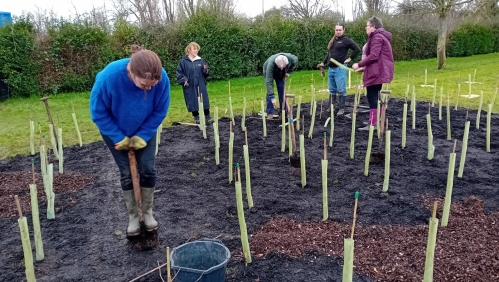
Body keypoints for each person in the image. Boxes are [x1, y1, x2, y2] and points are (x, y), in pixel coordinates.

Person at [90, 46, 170, 237]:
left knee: (148, 169)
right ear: (131, 73)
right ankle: (134, 217)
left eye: (153, 84)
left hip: (145, 129)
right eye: (144, 85)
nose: (149, 88)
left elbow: (160, 109)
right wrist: (119, 138)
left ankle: (148, 213)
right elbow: (98, 113)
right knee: (126, 172)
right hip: (114, 130)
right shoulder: (108, 78)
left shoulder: (162, 79)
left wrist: (143, 134)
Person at [352, 16, 394, 131]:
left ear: (373, 27)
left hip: (377, 72)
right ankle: (375, 120)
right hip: (377, 71)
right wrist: (364, 68)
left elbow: (374, 56)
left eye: (367, 26)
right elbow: (376, 57)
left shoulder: (377, 37)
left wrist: (359, 64)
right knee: (374, 96)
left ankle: (373, 123)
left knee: (372, 97)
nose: (366, 28)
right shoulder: (379, 37)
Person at [317, 23, 360, 116]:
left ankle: (341, 109)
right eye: (337, 30)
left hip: (340, 68)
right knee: (332, 89)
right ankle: (331, 107)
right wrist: (323, 63)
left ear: (343, 30)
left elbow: (357, 49)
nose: (338, 31)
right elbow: (329, 54)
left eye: (340, 30)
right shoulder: (333, 40)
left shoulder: (346, 40)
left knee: (341, 89)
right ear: (334, 30)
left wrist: (350, 59)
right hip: (331, 68)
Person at [176, 42, 211, 124]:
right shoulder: (183, 62)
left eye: (197, 49)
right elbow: (179, 72)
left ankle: (208, 115)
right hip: (190, 85)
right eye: (194, 49)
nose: (196, 51)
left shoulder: (201, 60)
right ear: (189, 50)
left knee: (204, 99)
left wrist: (206, 70)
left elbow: (206, 73)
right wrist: (184, 80)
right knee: (192, 99)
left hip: (201, 83)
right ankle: (196, 116)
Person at [263, 53, 298, 119]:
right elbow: (269, 82)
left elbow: (294, 63)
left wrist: (288, 72)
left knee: (282, 89)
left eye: (283, 67)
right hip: (269, 71)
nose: (281, 68)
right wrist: (272, 97)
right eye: (280, 67)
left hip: (280, 73)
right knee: (270, 92)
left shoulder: (292, 59)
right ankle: (269, 113)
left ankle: (284, 111)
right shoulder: (270, 66)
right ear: (277, 64)